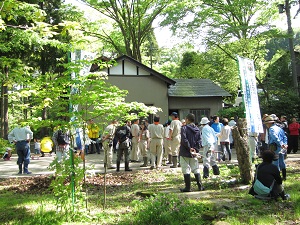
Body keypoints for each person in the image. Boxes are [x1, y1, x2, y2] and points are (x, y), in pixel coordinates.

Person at [179, 113, 204, 192]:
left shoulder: (184, 128)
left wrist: (189, 148)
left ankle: (188, 187)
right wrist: (195, 150)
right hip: (194, 153)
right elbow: (199, 141)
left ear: (187, 119)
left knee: (185, 168)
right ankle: (200, 186)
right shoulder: (197, 129)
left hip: (185, 152)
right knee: (196, 168)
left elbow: (184, 140)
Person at [264, 115, 288, 180]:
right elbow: (285, 137)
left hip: (275, 147)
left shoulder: (271, 129)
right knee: (282, 162)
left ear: (269, 123)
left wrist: (280, 144)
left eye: (266, 124)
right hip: (282, 148)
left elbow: (275, 137)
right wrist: (284, 144)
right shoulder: (279, 128)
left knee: (275, 163)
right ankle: (284, 176)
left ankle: (277, 178)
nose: (266, 125)